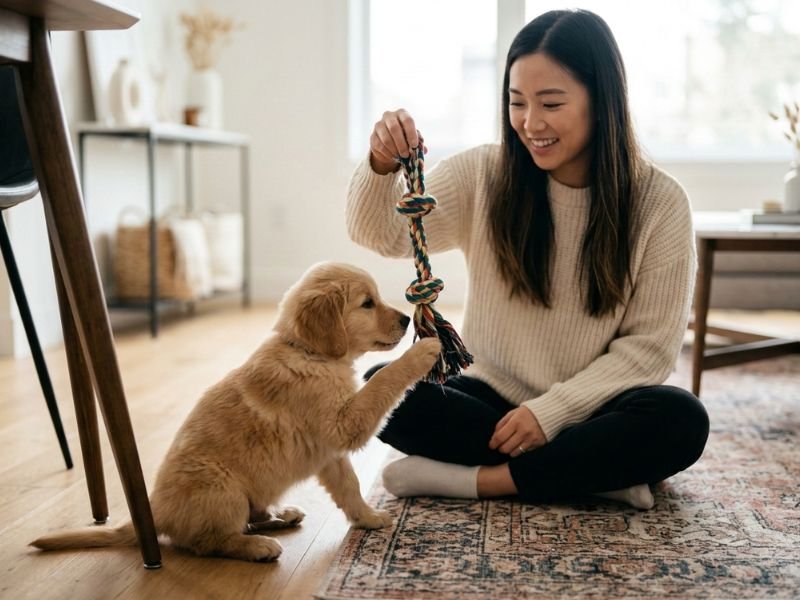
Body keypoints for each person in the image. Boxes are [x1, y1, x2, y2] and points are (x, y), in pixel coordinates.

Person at [345, 8, 709, 509]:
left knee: (681, 418)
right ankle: (592, 474)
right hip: (492, 400)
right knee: (381, 389)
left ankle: (482, 481)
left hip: (595, 406)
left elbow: (648, 352)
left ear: (601, 102)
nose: (530, 123)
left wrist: (551, 414)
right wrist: (381, 166)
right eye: (517, 103)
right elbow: (383, 235)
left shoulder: (660, 203)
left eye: (551, 103)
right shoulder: (485, 175)